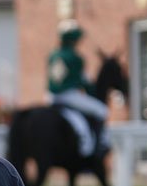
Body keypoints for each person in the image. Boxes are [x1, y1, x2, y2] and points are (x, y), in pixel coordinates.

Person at [47, 19, 109, 158]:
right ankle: (99, 145)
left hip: (51, 96)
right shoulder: (75, 57)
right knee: (102, 110)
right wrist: (92, 92)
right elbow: (84, 81)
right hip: (68, 95)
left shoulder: (53, 55)